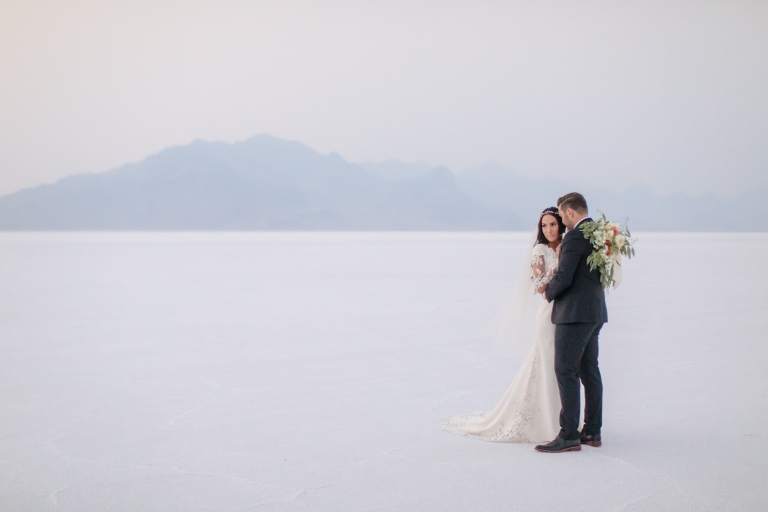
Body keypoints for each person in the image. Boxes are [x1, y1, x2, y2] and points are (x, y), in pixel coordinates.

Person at [440, 207, 565, 442]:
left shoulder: (565, 245)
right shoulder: (539, 250)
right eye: (544, 225)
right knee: (547, 364)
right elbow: (538, 286)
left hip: (565, 312)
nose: (549, 230)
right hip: (548, 313)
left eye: (553, 224)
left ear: (560, 224)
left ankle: (561, 419)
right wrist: (558, 263)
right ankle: (548, 425)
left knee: (560, 366)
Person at [535, 192, 607, 453]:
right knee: (589, 371)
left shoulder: (576, 236)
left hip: (575, 314)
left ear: (570, 212)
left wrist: (547, 292)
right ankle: (592, 430)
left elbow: (564, 276)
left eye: (562, 215)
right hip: (595, 312)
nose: (561, 222)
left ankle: (568, 435)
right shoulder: (598, 233)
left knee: (566, 370)